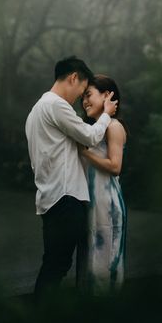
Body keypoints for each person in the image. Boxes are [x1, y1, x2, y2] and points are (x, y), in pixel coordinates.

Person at [25, 56, 118, 299]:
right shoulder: (56, 105)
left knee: (55, 262)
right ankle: (40, 313)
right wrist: (107, 114)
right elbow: (89, 136)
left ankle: (41, 312)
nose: (80, 97)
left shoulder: (35, 111)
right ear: (73, 77)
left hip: (49, 198)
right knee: (57, 265)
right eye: (81, 90)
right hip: (66, 197)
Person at [79, 74, 127, 293]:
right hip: (91, 204)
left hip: (107, 205)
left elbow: (115, 166)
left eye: (88, 95)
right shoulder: (92, 129)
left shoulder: (114, 127)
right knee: (89, 265)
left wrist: (85, 154)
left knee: (105, 267)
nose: (84, 101)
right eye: (82, 98)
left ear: (107, 95)